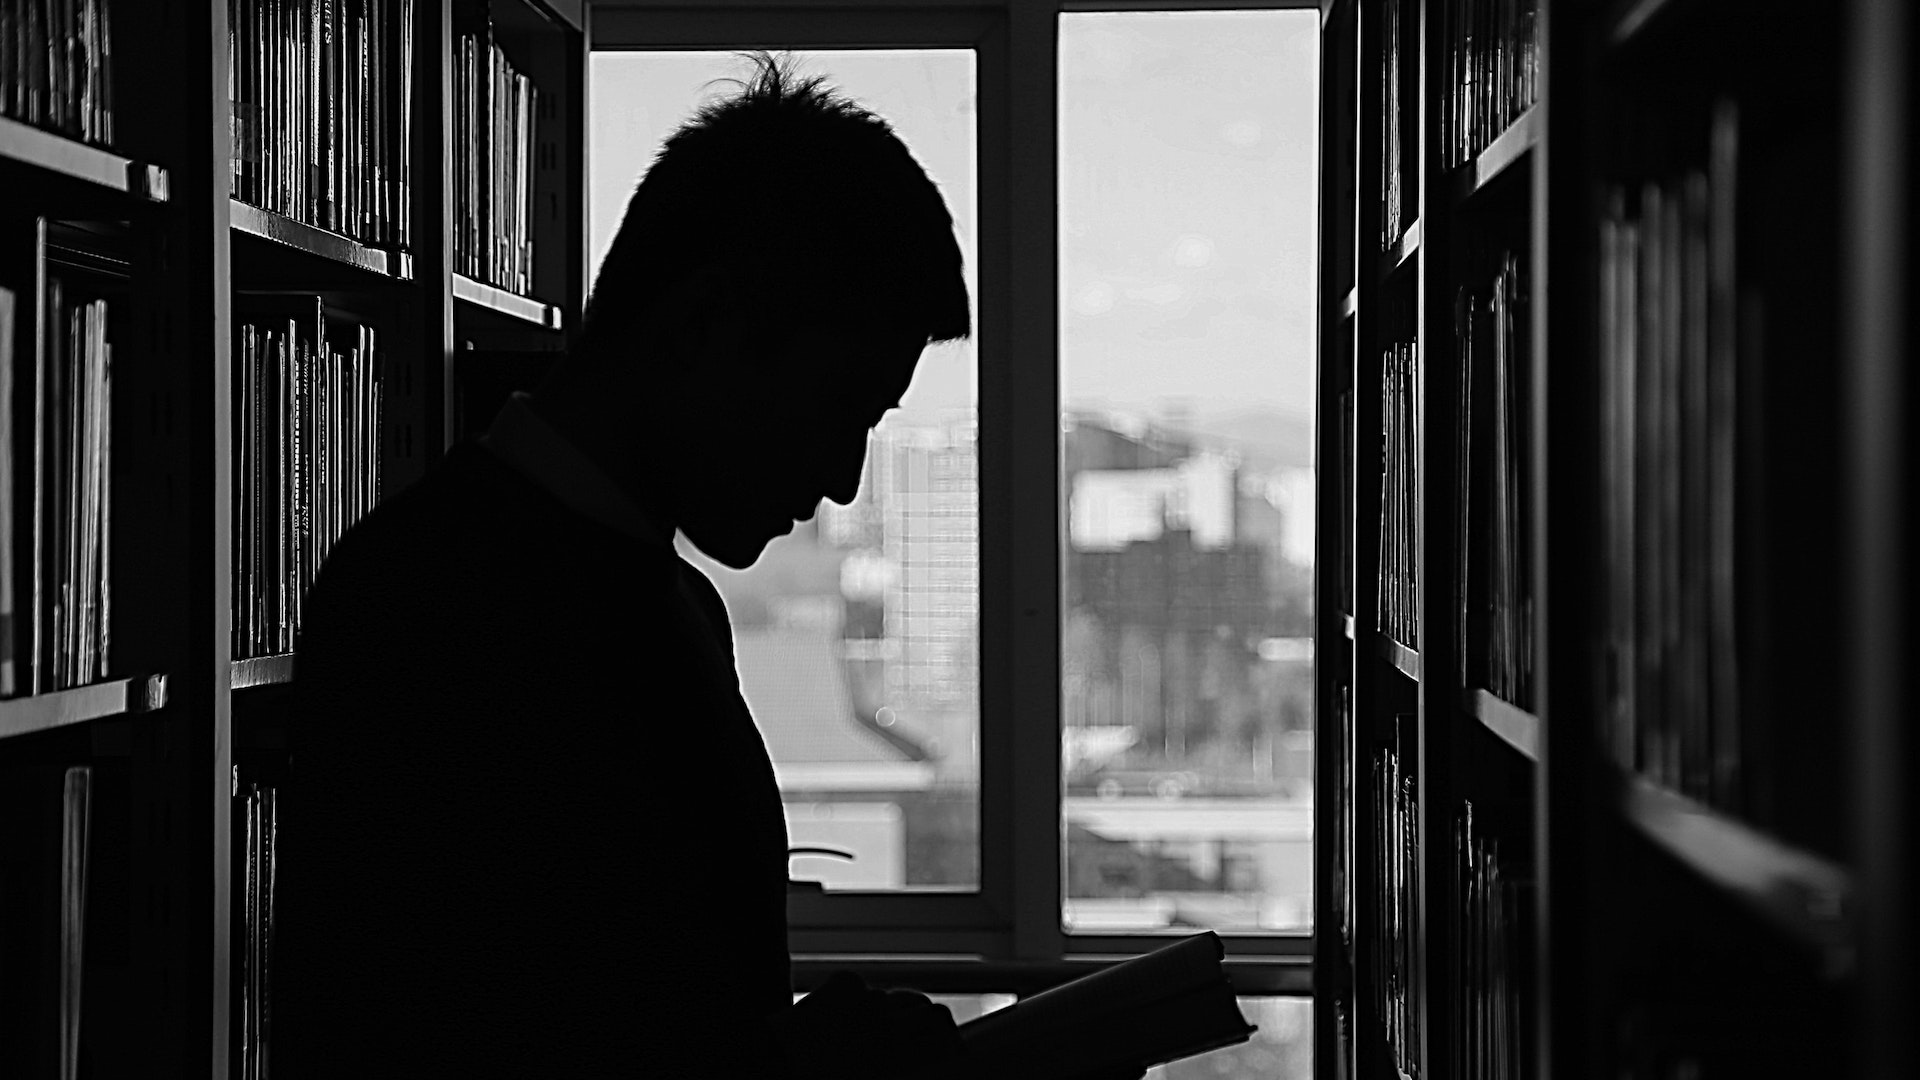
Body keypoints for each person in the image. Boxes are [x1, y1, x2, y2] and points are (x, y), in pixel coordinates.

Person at [275, 51, 973, 1078]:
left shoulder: (639, 597)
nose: (842, 480)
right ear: (701, 325)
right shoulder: (433, 607)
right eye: (842, 408)